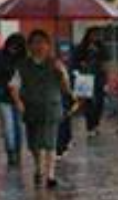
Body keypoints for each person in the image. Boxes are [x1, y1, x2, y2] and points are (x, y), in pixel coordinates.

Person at [10, 30, 76, 189]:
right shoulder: (23, 65)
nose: (38, 46)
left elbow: (66, 89)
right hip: (31, 108)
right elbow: (13, 86)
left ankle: (50, 175)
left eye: (42, 42)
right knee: (34, 144)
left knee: (50, 143)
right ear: (29, 46)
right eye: (35, 42)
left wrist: (62, 75)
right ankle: (38, 169)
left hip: (51, 107)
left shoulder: (56, 64)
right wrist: (18, 102)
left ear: (48, 45)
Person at [0, 33, 26, 166]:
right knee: (8, 126)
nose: (13, 48)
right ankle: (11, 153)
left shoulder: (24, 59)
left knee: (19, 127)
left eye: (16, 46)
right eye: (11, 45)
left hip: (20, 97)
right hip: (2, 96)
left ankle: (18, 151)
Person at [73, 29, 108, 138]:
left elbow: (106, 61)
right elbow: (74, 61)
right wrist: (81, 62)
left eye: (96, 35)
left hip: (99, 77)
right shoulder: (81, 47)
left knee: (99, 102)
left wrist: (107, 78)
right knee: (88, 104)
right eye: (92, 34)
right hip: (84, 77)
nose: (94, 37)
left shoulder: (102, 47)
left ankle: (96, 124)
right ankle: (90, 127)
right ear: (87, 35)